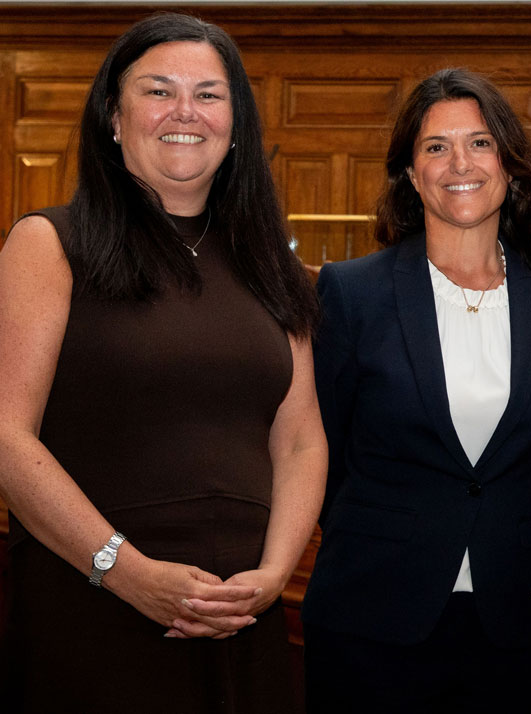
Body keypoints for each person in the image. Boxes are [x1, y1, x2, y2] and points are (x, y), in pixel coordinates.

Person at [0, 13, 326, 714]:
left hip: (241, 611)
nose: (185, 112)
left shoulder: (275, 269)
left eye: (209, 94)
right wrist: (122, 569)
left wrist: (271, 576)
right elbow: (6, 435)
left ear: (236, 125)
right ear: (113, 119)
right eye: (158, 91)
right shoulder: (47, 245)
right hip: (92, 599)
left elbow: (300, 439)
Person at [301, 68, 531, 714]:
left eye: (480, 143)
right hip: (372, 620)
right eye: (436, 147)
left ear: (510, 166)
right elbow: (323, 454)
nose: (460, 162)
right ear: (409, 172)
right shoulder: (352, 292)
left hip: (514, 625)